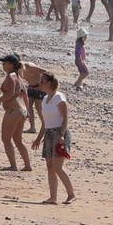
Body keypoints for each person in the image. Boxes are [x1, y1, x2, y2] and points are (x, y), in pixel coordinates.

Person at [29, 72, 75, 204]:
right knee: (50, 166)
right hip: (49, 133)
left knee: (57, 167)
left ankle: (71, 194)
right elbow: (45, 122)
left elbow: (65, 118)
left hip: (60, 132)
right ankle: (53, 197)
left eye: (42, 81)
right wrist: (38, 138)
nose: (40, 84)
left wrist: (61, 136)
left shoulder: (58, 97)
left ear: (49, 82)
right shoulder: (45, 99)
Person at [0, 54, 31, 172]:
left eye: (5, 63)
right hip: (22, 112)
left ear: (11, 65)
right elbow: (25, 96)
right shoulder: (19, 78)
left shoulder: (11, 77)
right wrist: (27, 111)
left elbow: (9, 94)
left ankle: (13, 166)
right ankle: (27, 166)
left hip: (13, 111)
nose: (3, 64)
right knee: (18, 140)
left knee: (6, 139)